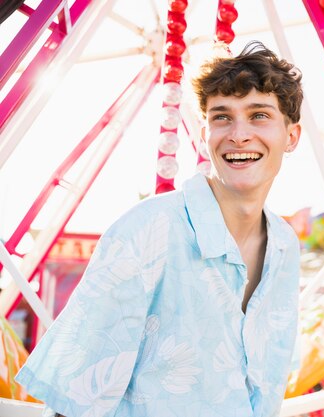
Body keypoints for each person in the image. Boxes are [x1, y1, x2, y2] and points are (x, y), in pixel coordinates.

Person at [15, 41, 303, 417]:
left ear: (291, 136)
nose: (239, 134)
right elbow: (74, 399)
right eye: (221, 117)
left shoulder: (284, 246)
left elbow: (265, 388)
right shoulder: (148, 230)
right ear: (204, 134)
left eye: (259, 115)